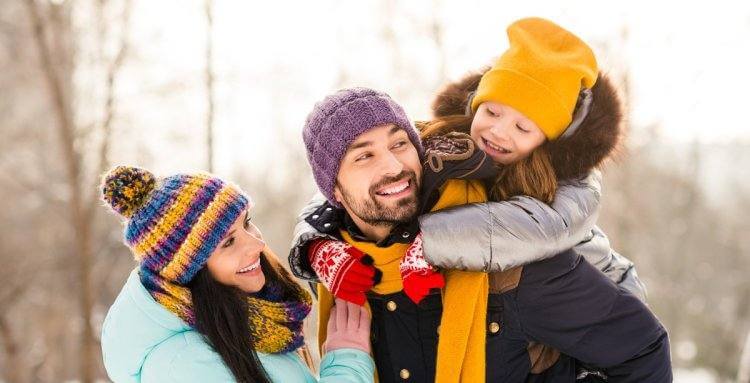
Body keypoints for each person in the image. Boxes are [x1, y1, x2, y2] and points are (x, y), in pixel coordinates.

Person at [290, 17, 671, 382]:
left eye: (398, 143)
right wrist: (315, 244)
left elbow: (641, 347)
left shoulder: (529, 241)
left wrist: (432, 244)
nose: (393, 164)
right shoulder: (344, 270)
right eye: (364, 155)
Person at [98, 166, 375, 383]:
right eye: (228, 242)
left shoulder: (244, 324)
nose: (257, 244)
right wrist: (346, 365)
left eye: (247, 223)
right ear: (190, 272)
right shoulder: (184, 368)